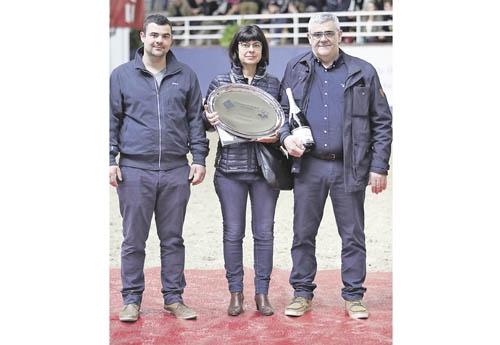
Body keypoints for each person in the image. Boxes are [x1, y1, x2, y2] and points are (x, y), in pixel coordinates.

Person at [279, 12, 392, 319]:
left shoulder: (363, 71)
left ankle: (354, 296)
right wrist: (286, 138)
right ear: (308, 38)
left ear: (340, 35)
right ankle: (302, 293)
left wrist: (379, 166)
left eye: (329, 33)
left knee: (353, 235)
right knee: (303, 234)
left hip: (349, 167)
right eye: (316, 34)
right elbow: (280, 114)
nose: (323, 39)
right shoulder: (295, 68)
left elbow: (382, 122)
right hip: (309, 167)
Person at [109, 14, 209, 322]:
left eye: (164, 36)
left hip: (175, 171)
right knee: (133, 239)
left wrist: (200, 158)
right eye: (153, 35)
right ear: (142, 36)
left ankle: (173, 298)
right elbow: (110, 120)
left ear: (171, 39)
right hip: (134, 170)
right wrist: (108, 159)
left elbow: (195, 120)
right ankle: (131, 300)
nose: (159, 41)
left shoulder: (186, 75)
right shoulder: (121, 75)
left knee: (173, 239)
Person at [203, 25, 281, 317]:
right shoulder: (220, 82)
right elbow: (204, 122)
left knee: (264, 233)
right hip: (229, 171)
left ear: (263, 50)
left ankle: (262, 293)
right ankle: (236, 293)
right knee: (233, 233)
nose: (251, 50)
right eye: (245, 44)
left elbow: (282, 122)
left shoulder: (273, 84)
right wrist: (207, 118)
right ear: (236, 49)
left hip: (265, 172)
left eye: (256, 45)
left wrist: (277, 134)